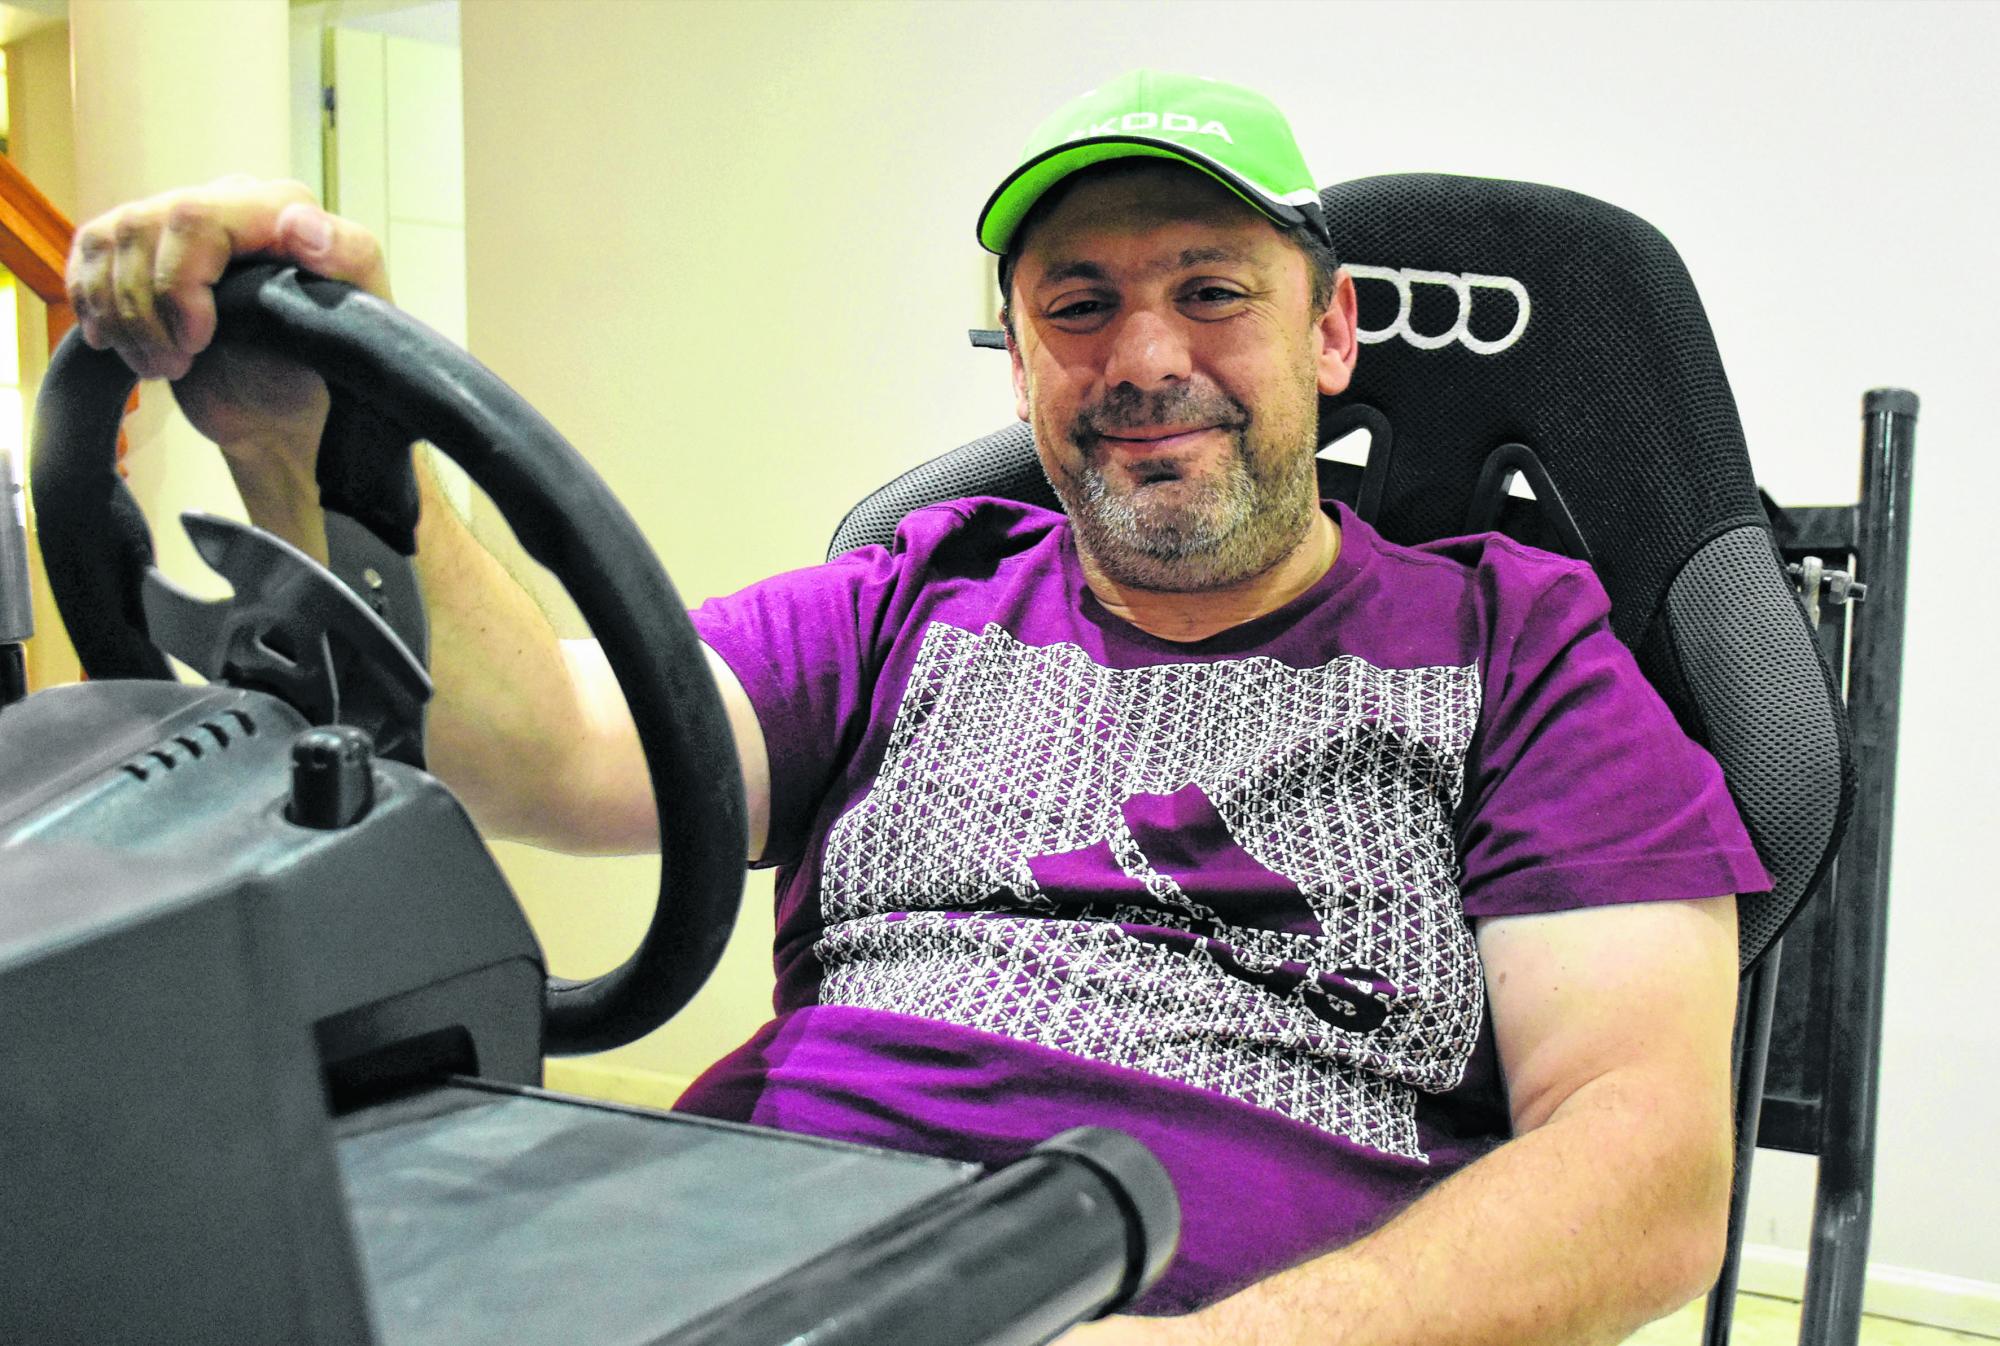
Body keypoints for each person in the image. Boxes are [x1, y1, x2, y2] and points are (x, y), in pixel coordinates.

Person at [70, 70, 1769, 1345]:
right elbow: (541, 748)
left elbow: (1648, 1165)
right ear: (1020, 362)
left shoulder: (1510, 642)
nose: (1145, 358)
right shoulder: (916, 595)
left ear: (1331, 333)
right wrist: (298, 437)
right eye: (1079, 306)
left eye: (1212, 291)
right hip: (755, 1265)